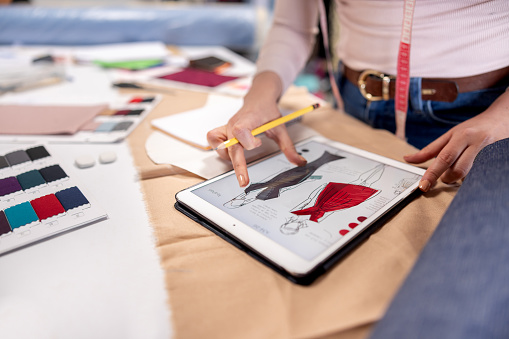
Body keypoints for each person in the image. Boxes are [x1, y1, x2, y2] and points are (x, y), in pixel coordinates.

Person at [206, 0, 509, 192]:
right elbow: (292, 25)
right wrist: (259, 99)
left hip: (476, 115)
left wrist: (501, 116)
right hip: (354, 103)